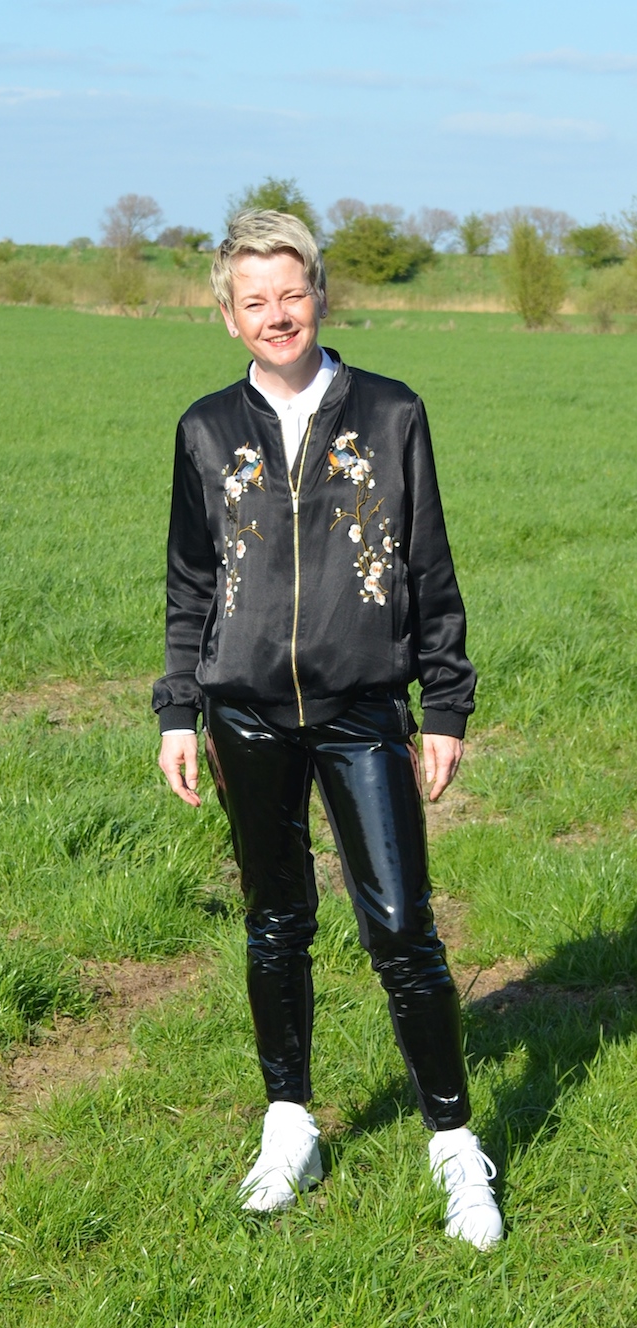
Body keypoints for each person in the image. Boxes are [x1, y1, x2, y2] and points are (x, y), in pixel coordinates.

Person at [152, 209, 502, 1249]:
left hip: (361, 708)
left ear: (320, 296)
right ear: (228, 316)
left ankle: (455, 1145)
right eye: (253, 300)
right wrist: (179, 708)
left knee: (401, 928)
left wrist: (444, 703)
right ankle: (289, 1125)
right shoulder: (204, 429)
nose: (276, 314)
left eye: (291, 293)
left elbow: (428, 565)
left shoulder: (390, 413)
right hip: (244, 711)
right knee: (274, 921)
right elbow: (189, 581)